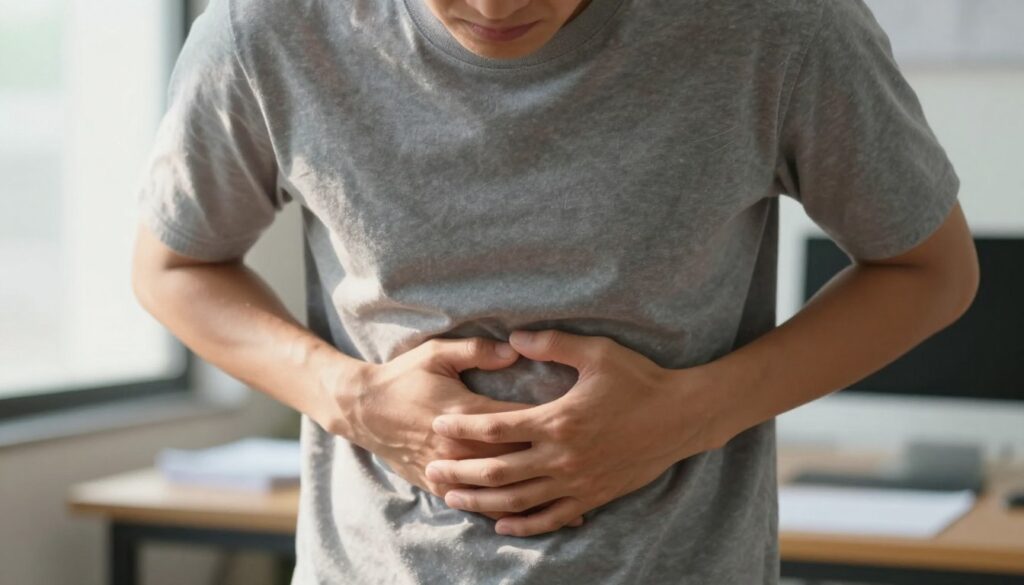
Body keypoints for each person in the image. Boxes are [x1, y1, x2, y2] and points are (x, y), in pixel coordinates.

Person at [130, 0, 979, 582]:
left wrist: (693, 412)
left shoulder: (781, 27)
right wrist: (348, 396)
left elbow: (930, 269)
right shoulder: (265, 32)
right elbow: (174, 265)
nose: (496, 8)